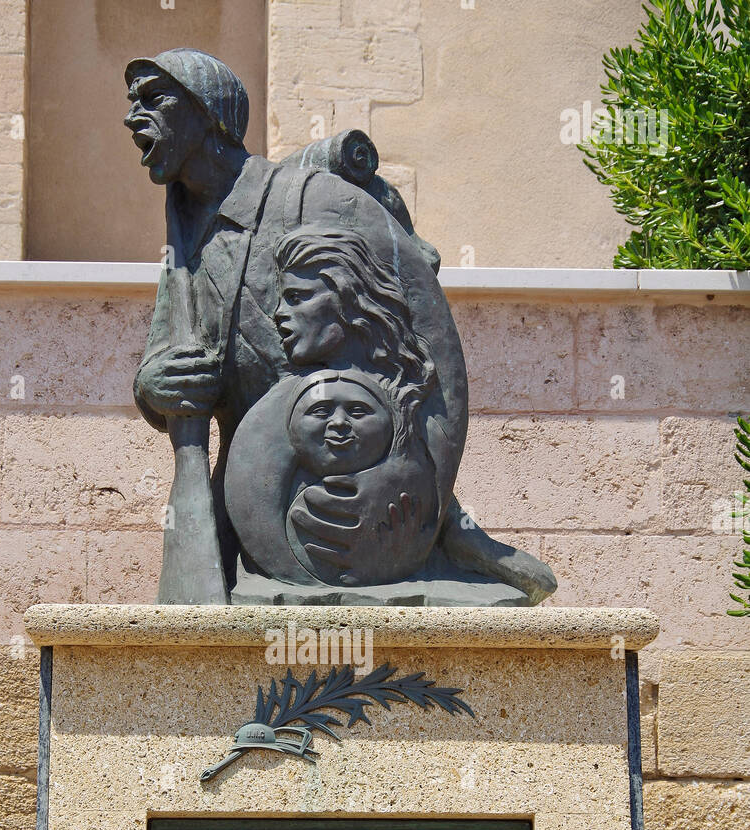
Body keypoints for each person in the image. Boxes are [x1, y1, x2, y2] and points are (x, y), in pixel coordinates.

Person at [125, 47, 556, 604]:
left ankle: (454, 538)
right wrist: (153, 387)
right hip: (254, 484)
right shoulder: (183, 236)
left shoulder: (310, 198)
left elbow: (426, 345)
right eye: (133, 102)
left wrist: (416, 489)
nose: (133, 116)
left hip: (355, 470)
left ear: (210, 112)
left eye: (154, 99)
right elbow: (158, 362)